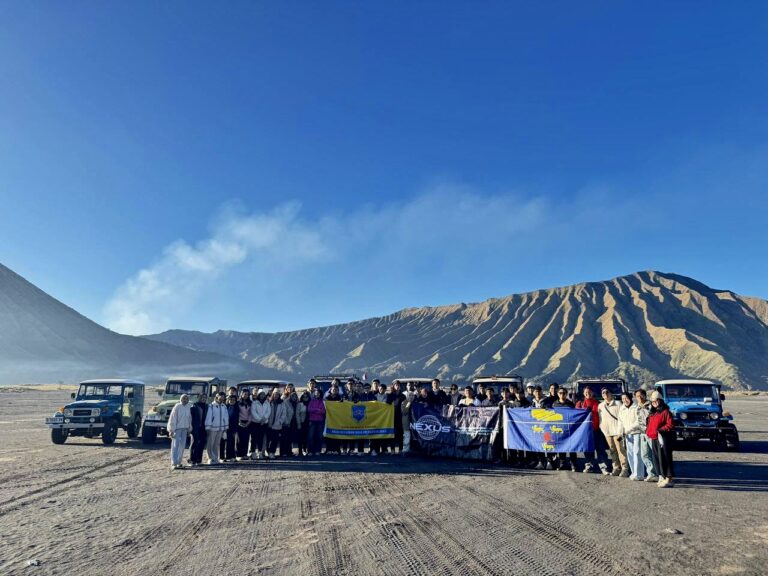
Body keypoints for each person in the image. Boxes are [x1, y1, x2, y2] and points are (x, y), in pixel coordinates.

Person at [576, 386, 610, 474]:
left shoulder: (598, 404)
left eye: (590, 392)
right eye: (586, 392)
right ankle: (589, 465)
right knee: (587, 449)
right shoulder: (580, 403)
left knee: (600, 449)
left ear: (593, 393)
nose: (588, 394)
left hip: (597, 430)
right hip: (585, 431)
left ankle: (603, 466)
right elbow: (575, 416)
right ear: (584, 394)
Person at [647, 391, 675, 487]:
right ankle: (662, 476)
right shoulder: (653, 413)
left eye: (656, 401)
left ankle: (669, 479)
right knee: (657, 459)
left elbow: (670, 424)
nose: (654, 403)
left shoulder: (666, 412)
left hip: (663, 438)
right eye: (652, 401)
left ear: (660, 401)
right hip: (654, 438)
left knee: (665, 458)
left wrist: (660, 430)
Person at [598, 388, 629, 477]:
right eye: (603, 393)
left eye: (607, 392)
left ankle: (625, 469)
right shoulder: (600, 406)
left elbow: (622, 418)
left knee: (621, 450)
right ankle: (616, 468)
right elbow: (601, 419)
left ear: (611, 394)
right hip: (607, 432)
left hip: (617, 432)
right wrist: (603, 430)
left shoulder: (618, 404)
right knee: (612, 451)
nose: (605, 394)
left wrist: (621, 431)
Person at [619, 392, 645, 481]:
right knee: (630, 453)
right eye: (622, 399)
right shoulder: (621, 409)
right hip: (627, 434)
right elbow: (620, 421)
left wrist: (629, 430)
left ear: (630, 398)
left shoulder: (636, 407)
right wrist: (620, 432)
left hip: (637, 432)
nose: (624, 400)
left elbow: (638, 421)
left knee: (637, 453)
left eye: (626, 398)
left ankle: (640, 474)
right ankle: (634, 473)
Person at [634, 389, 659, 482]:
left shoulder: (650, 406)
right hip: (642, 434)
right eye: (637, 396)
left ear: (645, 396)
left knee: (655, 454)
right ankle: (652, 473)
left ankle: (660, 473)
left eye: (641, 395)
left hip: (652, 434)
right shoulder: (637, 407)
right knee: (644, 455)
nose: (639, 397)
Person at [552, 388, 578, 471]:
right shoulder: (554, 404)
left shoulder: (570, 404)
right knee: (561, 445)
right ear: (558, 394)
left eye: (564, 393)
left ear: (566, 394)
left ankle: (573, 463)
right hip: (559, 428)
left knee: (572, 446)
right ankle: (562, 463)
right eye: (560, 393)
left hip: (569, 428)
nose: (562, 395)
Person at [167, 394, 192, 470]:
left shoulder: (188, 407)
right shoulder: (177, 407)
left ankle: (179, 462)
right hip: (177, 429)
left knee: (182, 446)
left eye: (186, 398)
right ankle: (174, 463)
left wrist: (189, 428)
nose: (185, 400)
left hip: (184, 429)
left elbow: (189, 418)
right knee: (175, 446)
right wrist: (171, 430)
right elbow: (172, 419)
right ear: (180, 399)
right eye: (183, 398)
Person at [204, 392, 229, 465]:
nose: (221, 399)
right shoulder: (211, 406)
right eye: (220, 398)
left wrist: (225, 427)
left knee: (217, 444)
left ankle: (215, 458)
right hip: (212, 428)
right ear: (217, 397)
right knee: (210, 443)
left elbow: (226, 417)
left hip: (221, 428)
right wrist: (208, 427)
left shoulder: (224, 406)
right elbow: (209, 417)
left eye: (223, 398)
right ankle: (210, 458)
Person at [250, 389, 271, 460]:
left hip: (263, 423)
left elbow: (268, 411)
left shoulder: (267, 403)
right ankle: (253, 453)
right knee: (254, 439)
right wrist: (259, 420)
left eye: (263, 394)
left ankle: (260, 453)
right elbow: (253, 412)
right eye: (261, 394)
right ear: (258, 395)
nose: (262, 396)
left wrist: (264, 419)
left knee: (261, 439)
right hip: (255, 423)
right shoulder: (254, 402)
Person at [189, 393, 208, 466]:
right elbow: (191, 418)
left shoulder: (206, 406)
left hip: (204, 427)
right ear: (199, 398)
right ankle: (192, 460)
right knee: (194, 443)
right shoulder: (194, 406)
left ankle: (199, 460)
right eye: (202, 397)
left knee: (202, 443)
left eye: (205, 397)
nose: (203, 399)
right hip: (196, 427)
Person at [388, 381, 406, 453]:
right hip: (391, 417)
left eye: (398, 385)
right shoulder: (390, 395)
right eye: (396, 385)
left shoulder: (403, 396)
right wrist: (393, 404)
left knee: (401, 434)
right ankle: (392, 449)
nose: (397, 386)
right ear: (393, 386)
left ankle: (401, 449)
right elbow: (386, 405)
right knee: (392, 434)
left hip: (400, 417)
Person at [325, 383, 343, 454]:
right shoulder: (327, 398)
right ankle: (328, 449)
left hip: (337, 419)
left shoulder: (340, 398)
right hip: (329, 418)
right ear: (331, 390)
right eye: (333, 390)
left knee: (337, 434)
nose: (334, 391)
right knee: (328, 434)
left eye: (336, 390)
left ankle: (337, 449)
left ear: (338, 391)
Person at [307, 388, 326, 456]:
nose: (317, 394)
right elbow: (309, 409)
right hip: (312, 421)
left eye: (318, 393)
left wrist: (314, 410)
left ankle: (318, 450)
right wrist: (318, 410)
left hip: (320, 421)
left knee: (319, 436)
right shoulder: (312, 401)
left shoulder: (322, 401)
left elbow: (323, 411)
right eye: (316, 393)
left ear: (320, 394)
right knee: (310, 436)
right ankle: (310, 451)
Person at [236, 389, 252, 461]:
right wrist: (239, 422)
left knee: (246, 439)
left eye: (247, 394)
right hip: (240, 422)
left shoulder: (250, 403)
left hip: (248, 422)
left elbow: (251, 413)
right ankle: (239, 454)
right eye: (244, 394)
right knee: (240, 439)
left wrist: (248, 422)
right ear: (241, 394)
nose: (245, 395)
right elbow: (237, 413)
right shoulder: (238, 403)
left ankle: (245, 454)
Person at [224, 394, 239, 462]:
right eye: (230, 399)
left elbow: (237, 419)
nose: (232, 401)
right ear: (228, 400)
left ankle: (232, 456)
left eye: (233, 400)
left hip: (233, 427)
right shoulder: (225, 407)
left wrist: (235, 429)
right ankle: (226, 456)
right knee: (225, 442)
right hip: (225, 427)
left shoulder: (237, 408)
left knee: (232, 442)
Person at [295, 391, 309, 456]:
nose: (305, 398)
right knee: (300, 437)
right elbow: (297, 414)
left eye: (306, 397)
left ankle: (305, 450)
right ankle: (300, 451)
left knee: (306, 438)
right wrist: (298, 423)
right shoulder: (299, 404)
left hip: (308, 423)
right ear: (302, 397)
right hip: (301, 422)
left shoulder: (310, 404)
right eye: (304, 397)